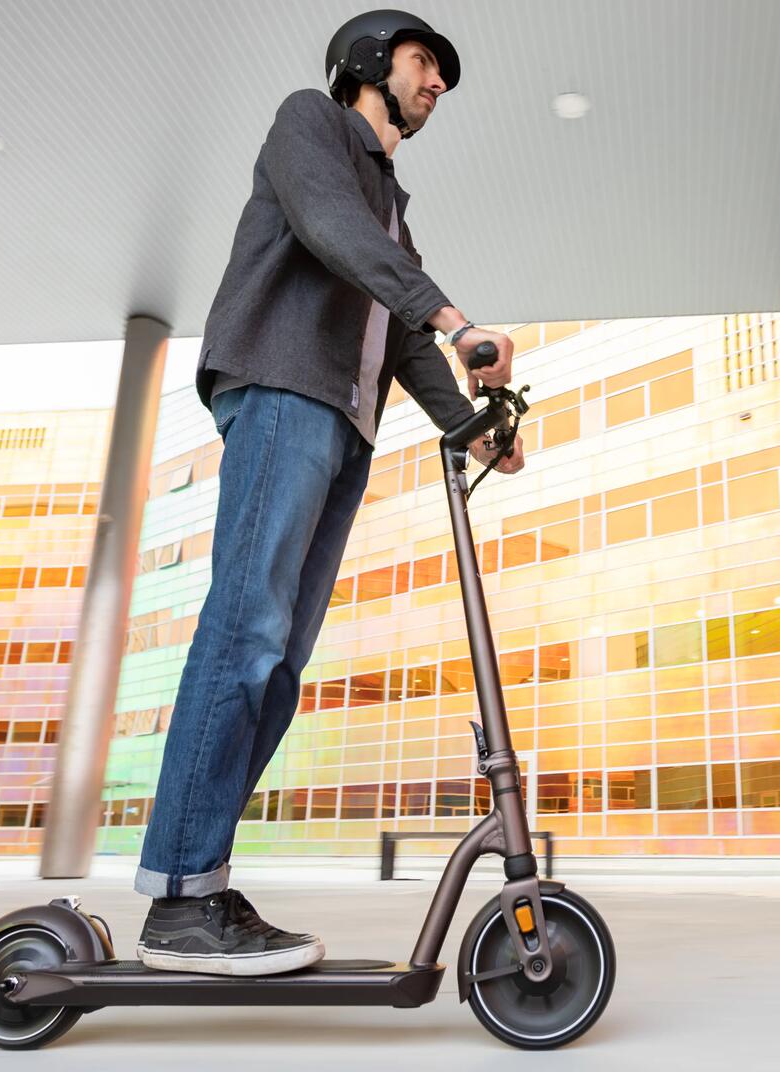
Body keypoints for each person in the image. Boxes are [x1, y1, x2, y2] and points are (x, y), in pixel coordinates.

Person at [133, 9, 524, 976]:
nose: (437, 84)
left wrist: (476, 429)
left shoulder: (391, 208)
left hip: (342, 427)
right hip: (280, 393)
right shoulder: (310, 122)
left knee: (279, 663)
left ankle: (202, 885)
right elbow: (330, 228)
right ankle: (178, 896)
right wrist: (454, 313)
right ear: (367, 62)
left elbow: (400, 340)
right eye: (424, 62)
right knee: (246, 633)